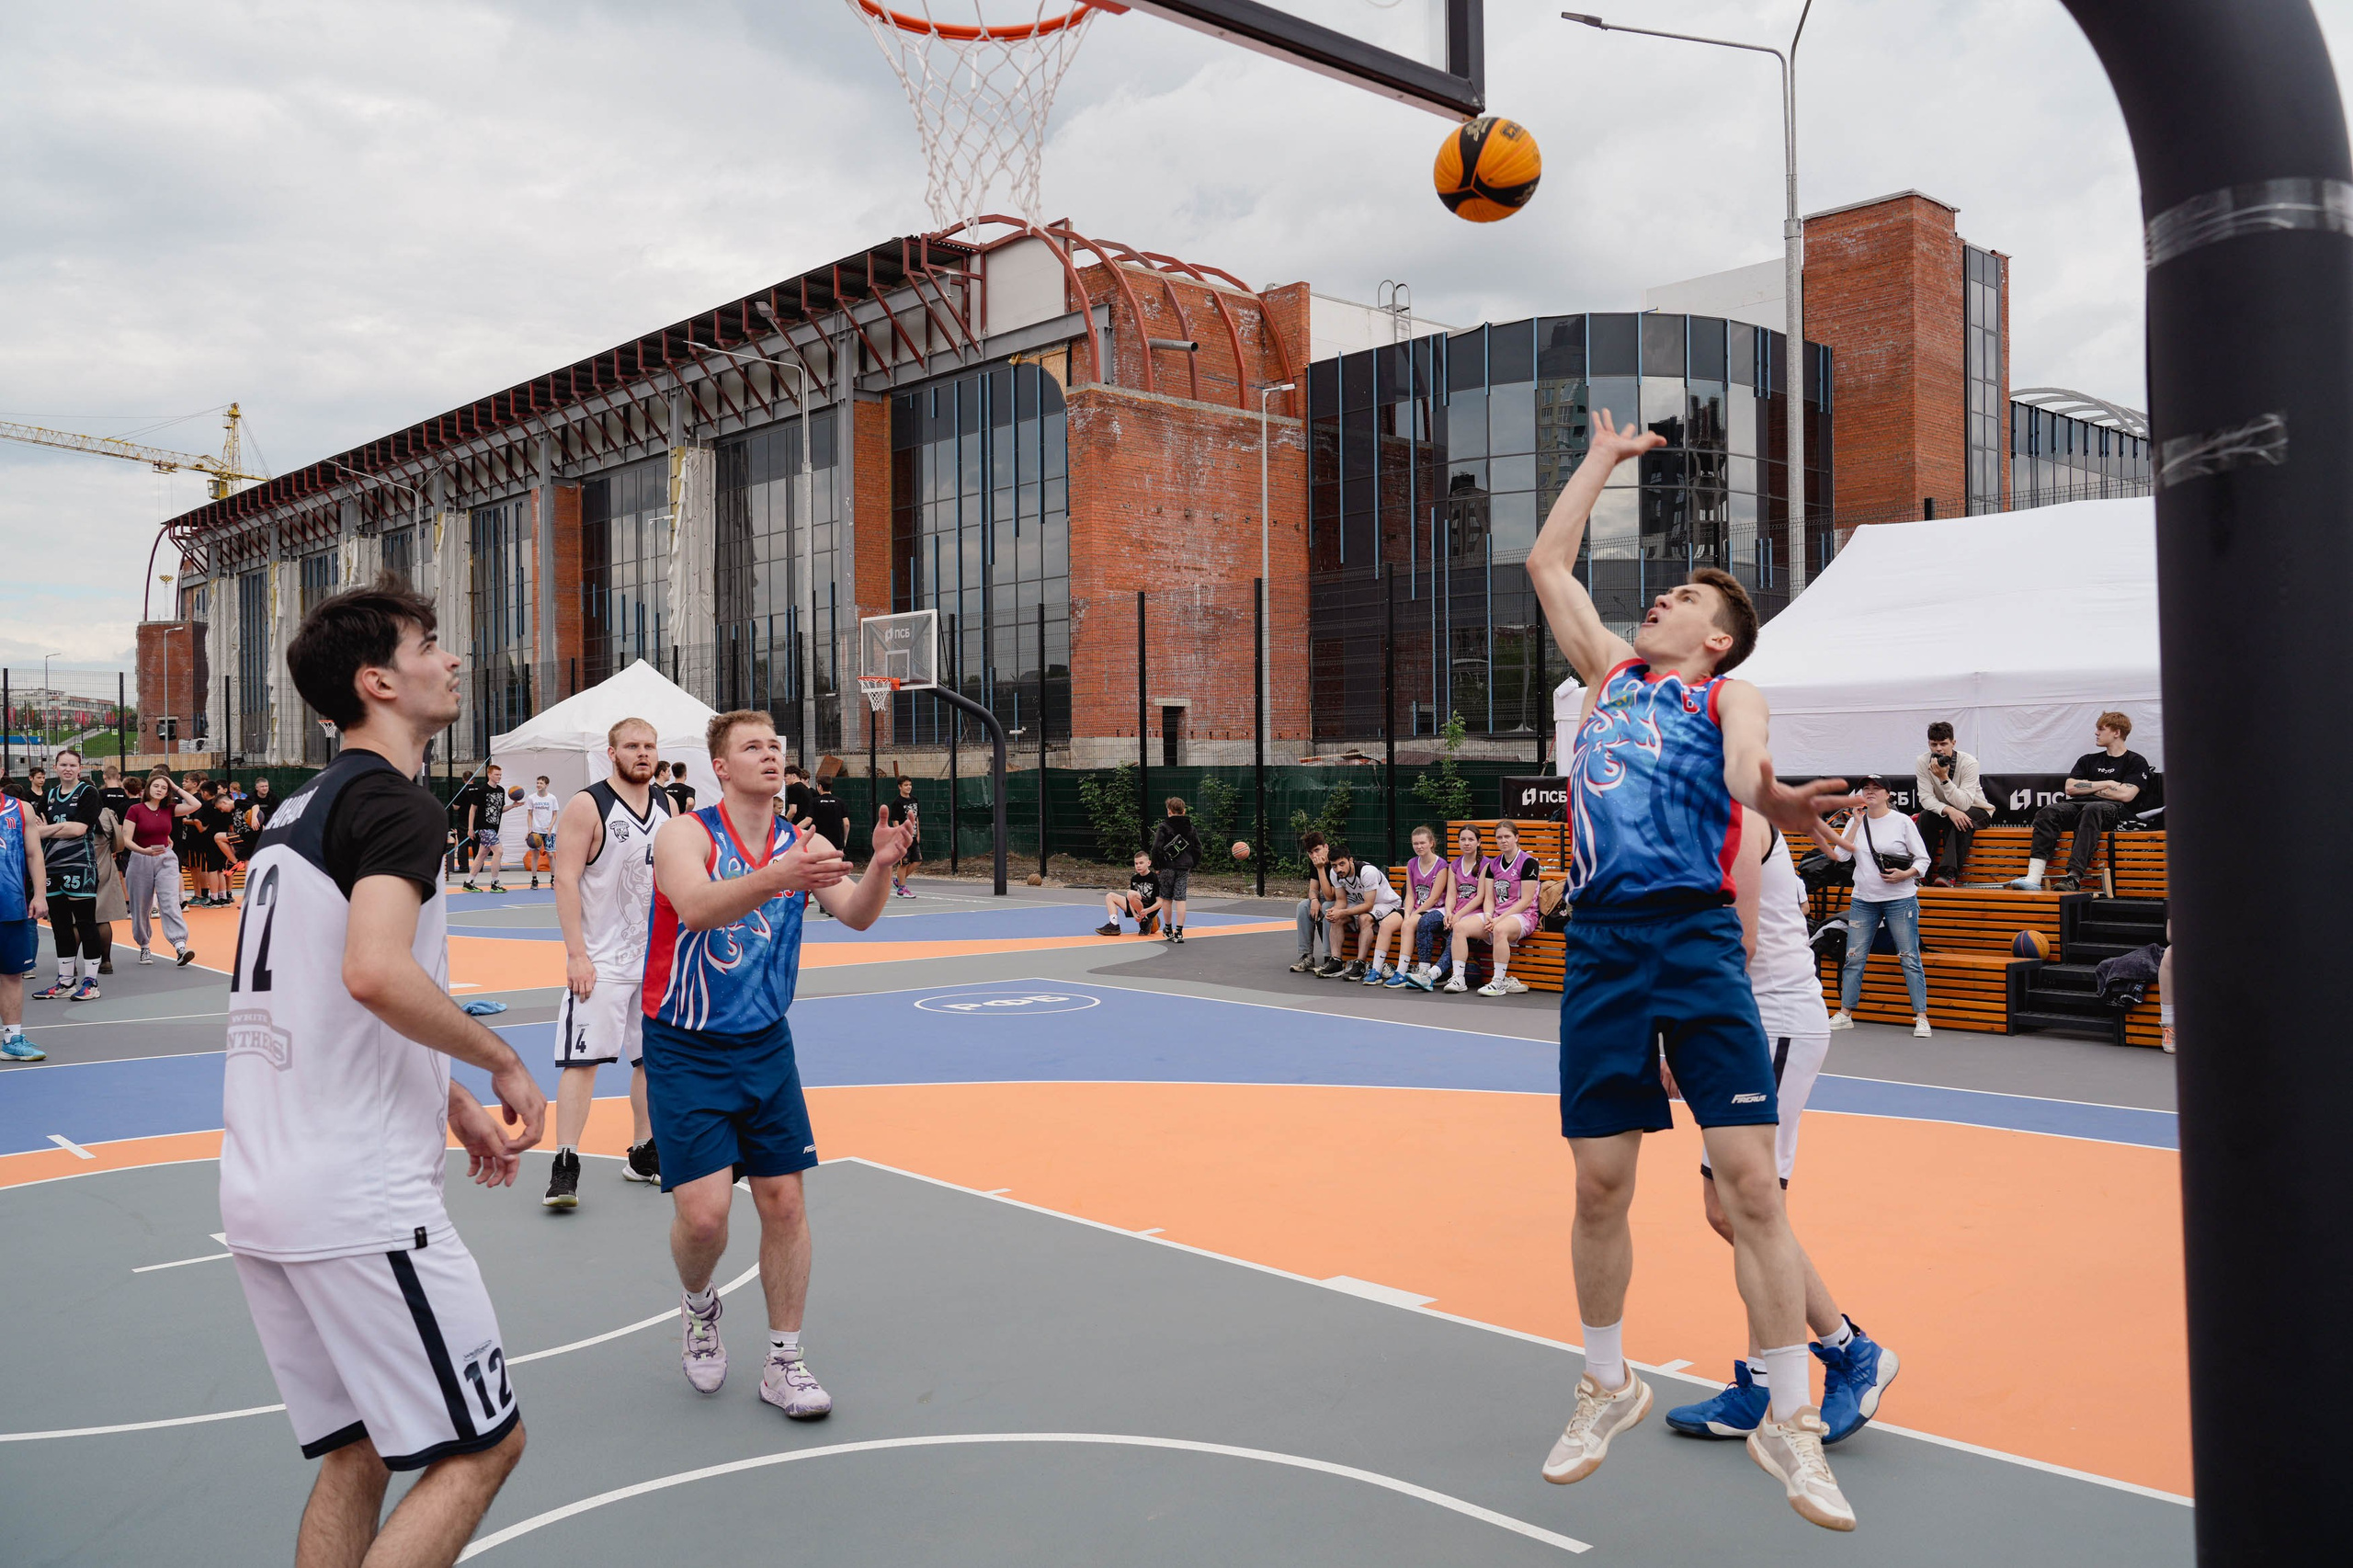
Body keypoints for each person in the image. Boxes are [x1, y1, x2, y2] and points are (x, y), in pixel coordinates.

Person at [1527, 407, 1859, 1528]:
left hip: (1695, 938)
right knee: (1598, 1184)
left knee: (1750, 1186)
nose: (1660, 599)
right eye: (1661, 595)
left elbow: (1751, 772)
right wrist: (1603, 459)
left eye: (1684, 600)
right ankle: (1605, 1381)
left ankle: (1791, 1417)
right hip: (1604, 946)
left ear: (1716, 637)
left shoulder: (1728, 694)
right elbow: (1545, 560)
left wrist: (1779, 801)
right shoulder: (1607, 677)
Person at [221, 579, 545, 1568]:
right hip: (355, 1196)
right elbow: (372, 970)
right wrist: (499, 1061)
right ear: (378, 681)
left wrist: (445, 1099)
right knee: (485, 1446)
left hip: (260, 1187)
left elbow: (318, 994)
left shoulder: (295, 812)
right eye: (431, 644)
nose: (452, 660)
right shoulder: (397, 805)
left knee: (361, 1445)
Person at [644, 710, 912, 1421]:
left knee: (785, 1204)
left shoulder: (804, 841)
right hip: (685, 1041)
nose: (769, 755)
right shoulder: (685, 834)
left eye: (776, 746)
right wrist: (777, 876)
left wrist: (881, 867)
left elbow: (854, 914)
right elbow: (696, 908)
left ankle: (784, 1363)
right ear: (721, 768)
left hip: (765, 1043)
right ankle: (700, 1308)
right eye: (751, 747)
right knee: (703, 1221)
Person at [1665, 803, 1900, 1445]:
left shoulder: (1732, 819)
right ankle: (1769, 1380)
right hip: (1750, 1025)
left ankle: (1848, 1352)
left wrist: (1680, 1038)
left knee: (1749, 1209)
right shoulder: (1697, 819)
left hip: (1770, 1023)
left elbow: (1733, 945)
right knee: (1733, 1210)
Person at [544, 721, 672, 1207]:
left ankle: (643, 1151)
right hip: (601, 961)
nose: (642, 753)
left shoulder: (667, 804)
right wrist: (576, 953)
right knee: (584, 1063)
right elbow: (565, 880)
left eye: (649, 745)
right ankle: (565, 1163)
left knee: (651, 1060)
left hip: (654, 961)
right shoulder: (588, 804)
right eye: (632, 746)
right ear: (612, 751)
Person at [1827, 777, 1932, 1039]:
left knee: (1909, 957)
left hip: (1900, 898)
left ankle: (1921, 1016)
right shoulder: (1856, 821)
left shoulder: (1902, 821)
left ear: (1888, 794)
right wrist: (1856, 822)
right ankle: (1845, 1012)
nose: (1870, 792)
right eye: (1866, 789)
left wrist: (1905, 874)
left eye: (1876, 789)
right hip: (1864, 899)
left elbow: (1923, 860)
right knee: (1853, 957)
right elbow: (1841, 856)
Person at [2007, 711, 2153, 892]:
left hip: (2115, 812)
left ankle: (2073, 877)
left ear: (2116, 732)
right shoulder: (2088, 760)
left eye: (2101, 729)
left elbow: (2126, 795)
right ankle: (2034, 877)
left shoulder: (2135, 761)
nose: (2096, 733)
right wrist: (2107, 784)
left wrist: (2089, 788)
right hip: (2081, 806)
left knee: (2092, 809)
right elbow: (2070, 788)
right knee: (2048, 811)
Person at [33, 748, 109, 1001]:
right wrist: (60, 828)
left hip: (80, 867)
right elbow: (36, 828)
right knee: (61, 927)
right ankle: (65, 981)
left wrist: (48, 830)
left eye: (72, 765)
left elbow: (78, 829)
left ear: (80, 768)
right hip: (51, 867)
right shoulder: (49, 796)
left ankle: (91, 982)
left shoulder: (88, 793)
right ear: (55, 767)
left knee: (86, 923)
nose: (67, 768)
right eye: (63, 764)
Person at [124, 772, 199, 967]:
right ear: (147, 788)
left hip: (165, 858)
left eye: (164, 788)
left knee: (170, 901)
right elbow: (126, 839)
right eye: (156, 786)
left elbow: (196, 805)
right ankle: (144, 946)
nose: (160, 789)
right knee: (141, 907)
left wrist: (175, 786)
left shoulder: (169, 809)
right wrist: (143, 851)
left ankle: (180, 946)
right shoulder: (135, 810)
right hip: (141, 858)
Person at [1913, 722, 1993, 886]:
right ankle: (1920, 872)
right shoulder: (1922, 761)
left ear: (1953, 743)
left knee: (1961, 819)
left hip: (1978, 809)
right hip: (1946, 810)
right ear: (1929, 744)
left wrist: (1944, 778)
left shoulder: (1968, 762)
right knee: (1925, 817)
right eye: (1934, 744)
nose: (1939, 749)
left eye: (1943, 743)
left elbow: (1964, 804)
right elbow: (1925, 798)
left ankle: (1948, 874)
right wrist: (1948, 810)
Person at [1, 780, 47, 1059]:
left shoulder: (21, 809)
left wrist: (40, 894)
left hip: (10, 905)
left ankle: (11, 1039)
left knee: (12, 974)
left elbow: (34, 854)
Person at [1471, 821, 1541, 998]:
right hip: (1497, 915)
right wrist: (1488, 915)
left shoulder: (1529, 863)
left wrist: (1498, 920)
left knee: (1500, 929)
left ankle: (1498, 982)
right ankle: (1457, 978)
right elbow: (1488, 898)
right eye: (1499, 837)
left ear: (1516, 837)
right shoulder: (1492, 865)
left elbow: (1526, 901)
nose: (1503, 840)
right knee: (1460, 927)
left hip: (1524, 915)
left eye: (1507, 836)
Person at [1436, 824, 1488, 995]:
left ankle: (1437, 972)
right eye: (1463, 839)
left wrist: (1457, 915)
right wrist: (1449, 912)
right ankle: (1423, 969)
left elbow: (1480, 897)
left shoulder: (1486, 864)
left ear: (1479, 842)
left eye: (1471, 839)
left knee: (1457, 928)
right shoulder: (1454, 865)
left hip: (1476, 912)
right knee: (1426, 922)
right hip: (1456, 911)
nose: (1466, 843)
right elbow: (1451, 893)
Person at [1320, 846, 1381, 982]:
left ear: (1350, 860)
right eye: (1334, 866)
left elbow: (1369, 905)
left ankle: (1360, 964)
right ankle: (1336, 962)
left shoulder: (1367, 871)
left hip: (1384, 904)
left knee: (1364, 919)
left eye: (1342, 864)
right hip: (1361, 903)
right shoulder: (1334, 873)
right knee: (1337, 918)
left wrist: (1342, 912)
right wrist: (1335, 911)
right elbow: (1341, 900)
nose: (1338, 869)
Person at [1147, 797, 1203, 943]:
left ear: (1169, 811)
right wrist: (1191, 864)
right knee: (1181, 898)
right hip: (1184, 867)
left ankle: (1168, 928)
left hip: (1167, 867)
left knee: (1166, 898)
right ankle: (1179, 932)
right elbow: (1198, 849)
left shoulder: (1164, 826)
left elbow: (1155, 848)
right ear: (1184, 811)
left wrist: (1157, 866)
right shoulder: (1191, 828)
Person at [1288, 832, 1336, 974]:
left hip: (1345, 903)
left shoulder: (1336, 861)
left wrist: (1320, 868)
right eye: (1310, 852)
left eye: (1317, 850)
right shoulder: (1315, 863)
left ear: (1326, 847)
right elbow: (1313, 889)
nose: (1314, 856)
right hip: (1328, 900)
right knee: (1303, 906)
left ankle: (1329, 958)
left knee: (1327, 906)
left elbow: (1330, 896)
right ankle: (1307, 956)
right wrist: (1314, 900)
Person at [1097, 850, 1165, 937]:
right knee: (1110, 896)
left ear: (1149, 863)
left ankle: (1146, 920)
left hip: (1149, 908)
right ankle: (1114, 925)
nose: (1138, 865)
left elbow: (1160, 903)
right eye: (1136, 863)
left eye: (1141, 863)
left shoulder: (1155, 879)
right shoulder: (1134, 879)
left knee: (1131, 893)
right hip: (1136, 906)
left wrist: (1147, 911)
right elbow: (1131, 899)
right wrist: (1134, 914)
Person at [462, 764, 507, 893]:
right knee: (498, 851)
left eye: (500, 774)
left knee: (482, 854)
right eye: (496, 774)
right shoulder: (482, 790)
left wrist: (513, 806)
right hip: (484, 827)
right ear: (489, 774)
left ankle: (469, 882)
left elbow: (500, 810)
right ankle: (494, 883)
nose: (499, 777)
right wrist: (470, 828)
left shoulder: (501, 790)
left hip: (494, 828)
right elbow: (473, 809)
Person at [517, 776, 558, 891]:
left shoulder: (552, 798)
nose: (538, 785)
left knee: (550, 855)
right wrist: (530, 829)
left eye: (541, 783)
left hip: (549, 831)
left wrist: (550, 828)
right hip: (536, 831)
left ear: (546, 785)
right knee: (535, 855)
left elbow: (555, 814)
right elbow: (529, 814)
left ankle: (553, 879)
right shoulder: (532, 798)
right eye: (537, 783)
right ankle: (534, 879)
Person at [885, 776, 921, 898]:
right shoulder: (897, 803)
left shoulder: (915, 800)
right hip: (903, 838)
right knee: (904, 863)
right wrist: (900, 835)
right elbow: (895, 821)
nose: (908, 787)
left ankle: (898, 881)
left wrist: (918, 833)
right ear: (900, 787)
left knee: (917, 861)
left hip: (914, 836)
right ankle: (901, 890)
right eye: (905, 785)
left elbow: (916, 818)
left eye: (910, 785)